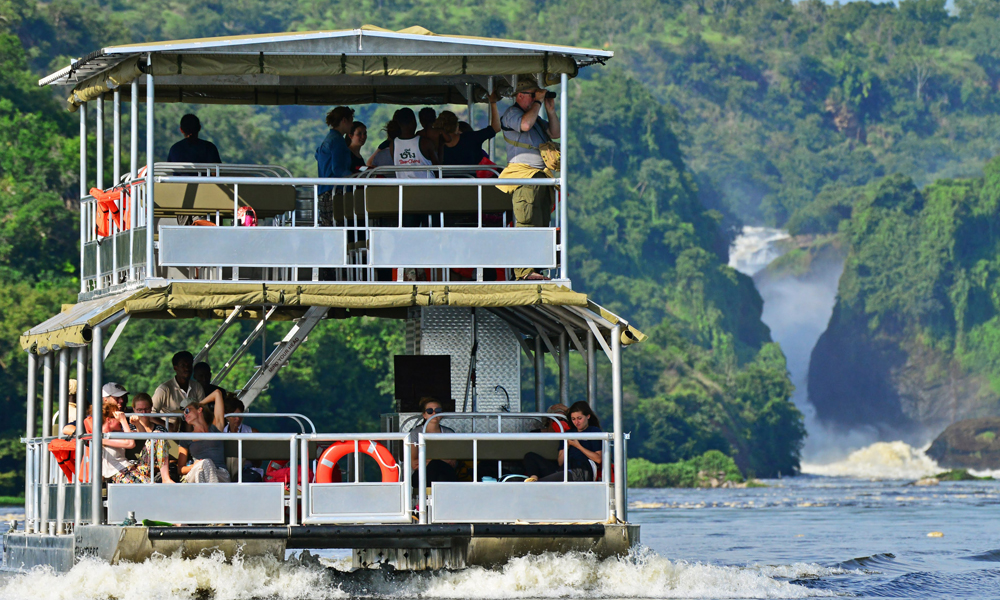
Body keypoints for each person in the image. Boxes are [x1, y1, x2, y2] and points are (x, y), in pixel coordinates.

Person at [498, 75, 560, 280]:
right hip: (523, 176)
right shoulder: (512, 114)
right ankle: (524, 271)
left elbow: (555, 132)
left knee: (541, 223)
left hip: (540, 178)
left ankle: (537, 268)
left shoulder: (534, 117)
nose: (536, 99)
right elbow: (524, 125)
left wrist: (549, 109)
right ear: (520, 96)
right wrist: (538, 102)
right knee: (526, 222)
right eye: (532, 95)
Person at [523, 401, 602, 482]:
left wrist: (578, 446)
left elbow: (598, 459)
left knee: (545, 482)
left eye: (579, 418)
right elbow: (560, 462)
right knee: (530, 456)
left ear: (588, 416)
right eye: (573, 419)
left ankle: (534, 484)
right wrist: (566, 446)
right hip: (565, 468)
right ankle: (533, 478)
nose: (576, 422)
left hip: (582, 470)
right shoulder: (568, 433)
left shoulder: (593, 431)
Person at [162, 389, 230, 483]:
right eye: (183, 414)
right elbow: (180, 469)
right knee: (204, 464)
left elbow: (217, 393)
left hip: (220, 473)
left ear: (199, 410)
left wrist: (198, 404)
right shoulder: (186, 438)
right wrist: (194, 466)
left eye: (187, 411)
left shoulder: (215, 428)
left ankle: (205, 495)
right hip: (196, 471)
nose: (185, 415)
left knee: (206, 465)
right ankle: (213, 494)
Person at [108, 393, 168, 484]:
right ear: (134, 410)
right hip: (131, 468)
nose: (143, 413)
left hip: (152, 467)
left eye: (146, 409)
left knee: (158, 435)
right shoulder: (129, 427)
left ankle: (165, 478)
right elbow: (136, 439)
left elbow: (168, 453)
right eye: (140, 410)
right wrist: (137, 424)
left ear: (151, 408)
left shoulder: (160, 429)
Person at [315, 106, 355, 226]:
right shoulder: (337, 141)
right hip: (334, 191)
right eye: (351, 121)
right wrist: (354, 177)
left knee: (329, 228)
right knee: (338, 228)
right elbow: (337, 169)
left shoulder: (328, 140)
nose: (352, 125)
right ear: (344, 121)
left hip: (323, 191)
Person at [437, 94, 501, 168]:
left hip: (445, 179)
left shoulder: (435, 144)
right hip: (471, 178)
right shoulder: (470, 138)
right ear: (456, 127)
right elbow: (496, 128)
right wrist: (493, 103)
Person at [408, 397, 457, 489]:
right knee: (435, 466)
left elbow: (452, 462)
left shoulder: (449, 433)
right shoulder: (415, 433)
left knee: (440, 472)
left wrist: (427, 460)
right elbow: (414, 464)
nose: (434, 413)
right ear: (424, 415)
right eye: (430, 411)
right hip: (422, 475)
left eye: (437, 410)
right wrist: (438, 460)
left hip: (445, 473)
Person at [151, 351, 205, 418]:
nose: (187, 368)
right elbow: (151, 414)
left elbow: (203, 410)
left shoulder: (197, 387)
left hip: (193, 427)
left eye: (189, 365)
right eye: (183, 365)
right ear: (175, 368)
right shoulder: (164, 389)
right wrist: (169, 427)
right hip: (169, 427)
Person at [391, 108, 439, 179]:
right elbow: (437, 167)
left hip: (403, 188)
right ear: (413, 122)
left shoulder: (393, 144)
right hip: (427, 187)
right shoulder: (425, 143)